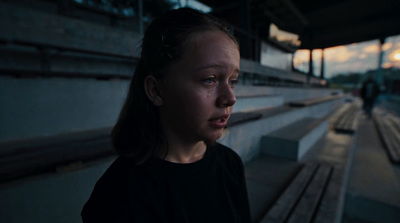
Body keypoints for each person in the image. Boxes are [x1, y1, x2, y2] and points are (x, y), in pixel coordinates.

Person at [81, 7, 251, 223]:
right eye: (209, 79)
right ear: (156, 90)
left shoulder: (231, 164)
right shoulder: (118, 197)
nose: (230, 98)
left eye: (233, 81)